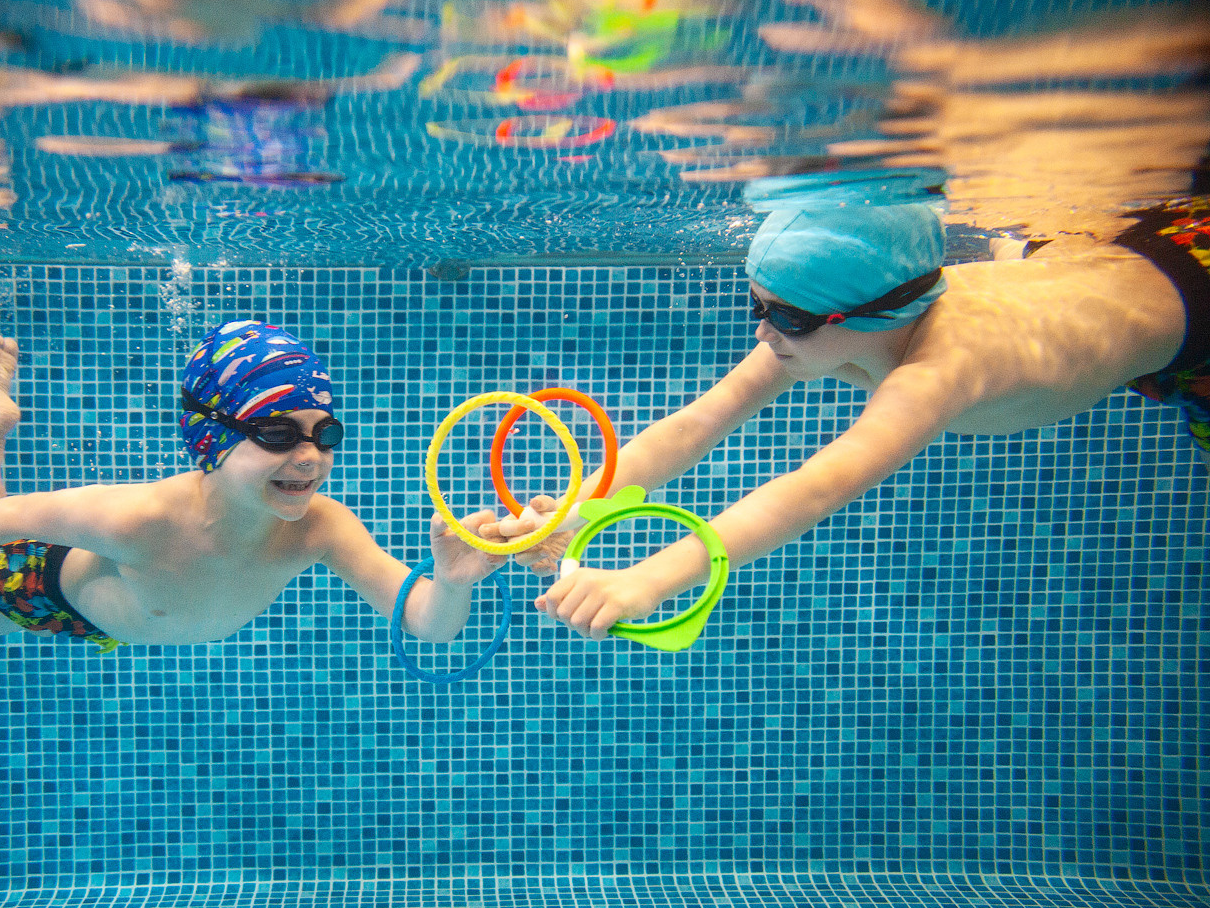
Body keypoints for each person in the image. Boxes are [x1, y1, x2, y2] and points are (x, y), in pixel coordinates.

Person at [483, 199, 1208, 640]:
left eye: (787, 318)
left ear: (875, 316)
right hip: (1122, 262)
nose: (765, 334)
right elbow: (696, 424)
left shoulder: (938, 372)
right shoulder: (829, 323)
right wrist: (584, 507)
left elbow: (814, 488)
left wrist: (648, 581)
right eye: (757, 307)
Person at [0, 321, 504, 652]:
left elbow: (430, 624)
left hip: (127, 619)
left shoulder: (322, 528)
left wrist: (449, 583)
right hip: (56, 589)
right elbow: (17, 515)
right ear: (212, 439)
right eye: (278, 433)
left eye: (324, 433)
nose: (309, 457)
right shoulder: (142, 518)